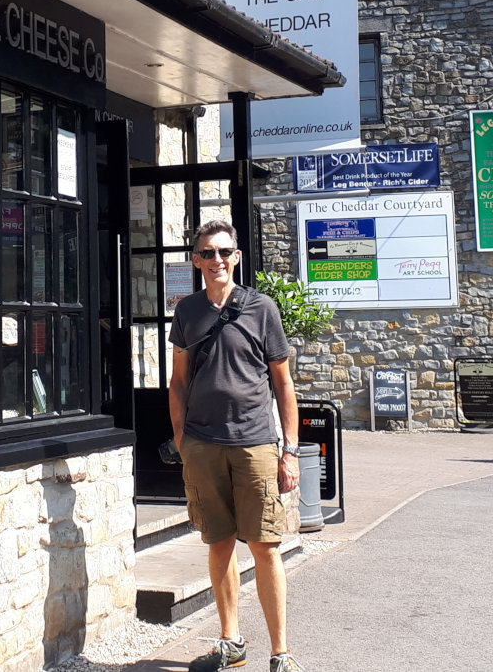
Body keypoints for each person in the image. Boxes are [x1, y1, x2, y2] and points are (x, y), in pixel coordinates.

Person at [168, 219, 307, 672]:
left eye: (224, 252)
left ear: (237, 257)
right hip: (204, 445)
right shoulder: (187, 311)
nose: (217, 261)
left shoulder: (261, 308)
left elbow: (283, 384)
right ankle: (231, 642)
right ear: (196, 260)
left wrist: (290, 449)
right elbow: (179, 381)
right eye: (207, 253)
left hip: (254, 443)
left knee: (266, 545)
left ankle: (281, 653)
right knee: (219, 541)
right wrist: (182, 439)